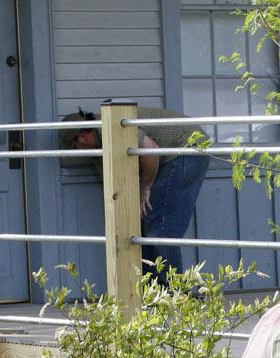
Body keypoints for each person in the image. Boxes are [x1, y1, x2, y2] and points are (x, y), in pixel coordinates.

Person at [64, 105, 210, 283]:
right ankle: (152, 291)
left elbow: (150, 149)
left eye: (74, 146)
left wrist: (146, 188)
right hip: (169, 155)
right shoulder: (99, 149)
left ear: (82, 137)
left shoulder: (109, 128)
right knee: (143, 229)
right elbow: (113, 186)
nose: (77, 151)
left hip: (186, 147)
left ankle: (175, 295)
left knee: (160, 229)